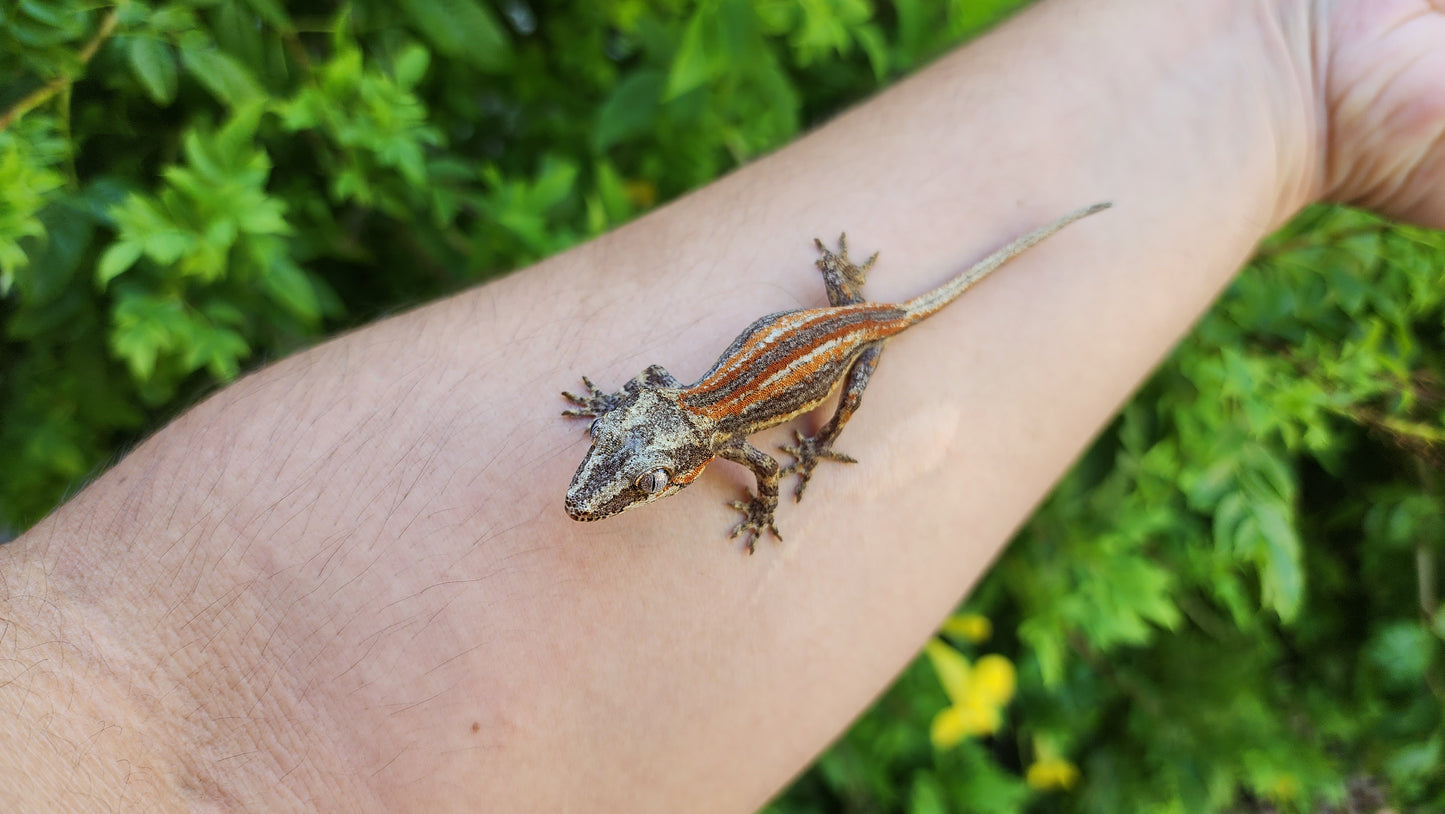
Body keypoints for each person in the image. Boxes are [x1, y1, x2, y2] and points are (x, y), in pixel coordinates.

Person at [2, 0, 1442, 809]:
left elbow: (723, 433)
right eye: (621, 468)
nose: (610, 481)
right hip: (831, 312)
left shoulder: (722, 437)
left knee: (832, 412)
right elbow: (644, 404)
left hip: (851, 333)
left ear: (660, 460)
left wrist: (792, 474)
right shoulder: (684, 423)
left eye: (618, 472)